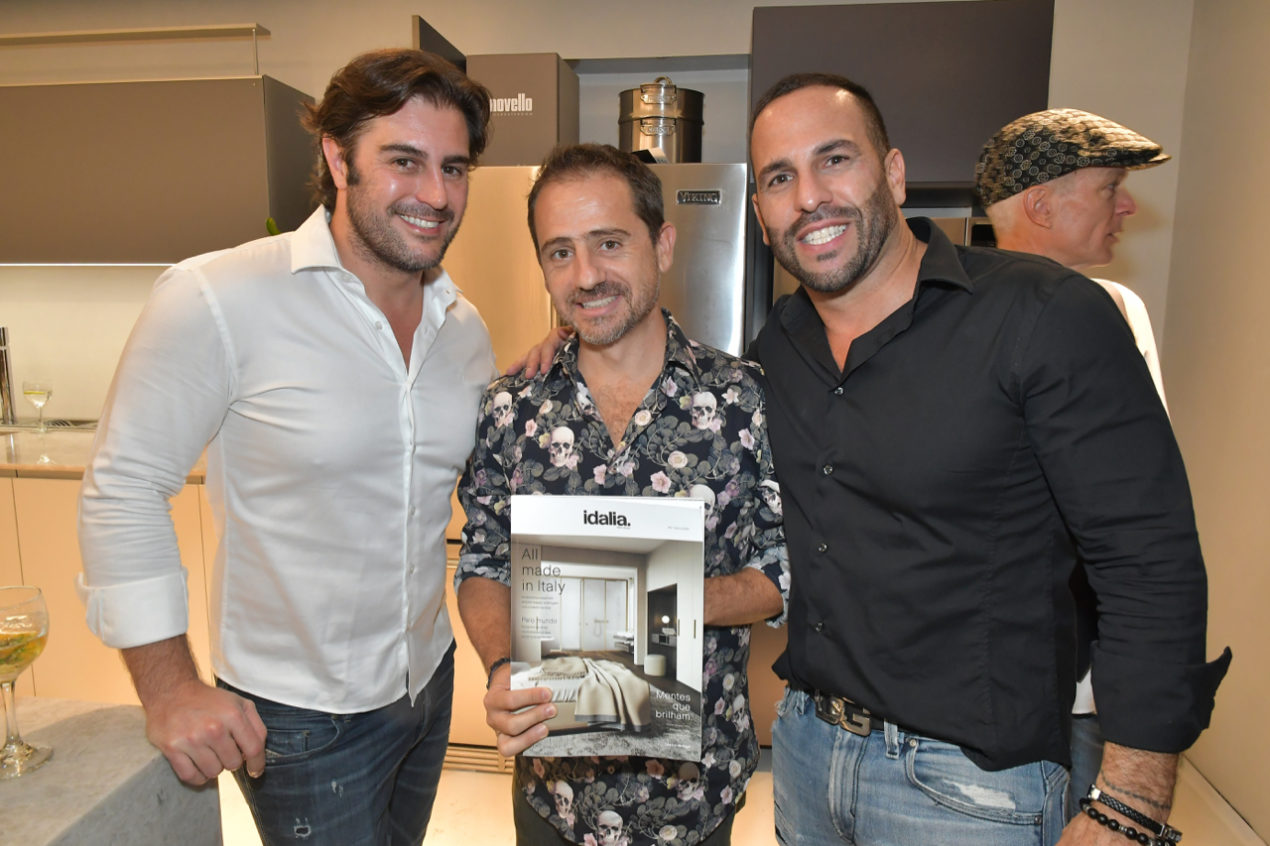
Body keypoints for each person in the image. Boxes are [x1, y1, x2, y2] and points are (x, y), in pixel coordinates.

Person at [747, 72, 1229, 846]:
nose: (809, 197)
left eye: (835, 159)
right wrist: (572, 351)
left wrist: (1131, 800)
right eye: (779, 178)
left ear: (893, 173)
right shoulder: (779, 343)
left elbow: (1147, 558)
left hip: (968, 789)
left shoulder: (1046, 316)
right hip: (805, 752)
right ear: (761, 210)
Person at [77, 48, 495, 846]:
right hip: (301, 719)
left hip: (428, 684)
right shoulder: (219, 297)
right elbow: (123, 488)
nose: (437, 195)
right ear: (338, 159)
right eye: (404, 161)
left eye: (454, 168)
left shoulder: (464, 329)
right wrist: (168, 689)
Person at [455, 143, 789, 846]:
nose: (586, 276)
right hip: (553, 794)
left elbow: (781, 572)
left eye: (609, 243)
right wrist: (500, 667)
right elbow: (482, 565)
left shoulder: (742, 401)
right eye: (560, 252)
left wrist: (651, 605)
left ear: (662, 245)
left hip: (695, 797)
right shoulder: (511, 408)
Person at [976, 107, 1173, 819]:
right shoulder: (950, 317)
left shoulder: (1116, 310)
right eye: (1109, 187)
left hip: (1089, 673)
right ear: (1041, 204)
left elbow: (1139, 516)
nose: (1127, 206)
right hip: (992, 679)